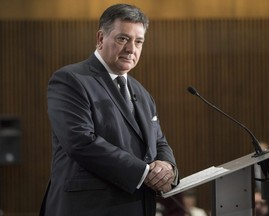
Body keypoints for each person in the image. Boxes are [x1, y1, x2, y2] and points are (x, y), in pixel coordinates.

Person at [39, 4, 179, 216]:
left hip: (138, 207)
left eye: (138, 41)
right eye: (123, 38)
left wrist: (167, 167)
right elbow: (80, 142)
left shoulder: (142, 93)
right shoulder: (71, 80)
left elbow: (158, 141)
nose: (131, 49)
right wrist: (143, 173)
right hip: (89, 208)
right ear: (101, 38)